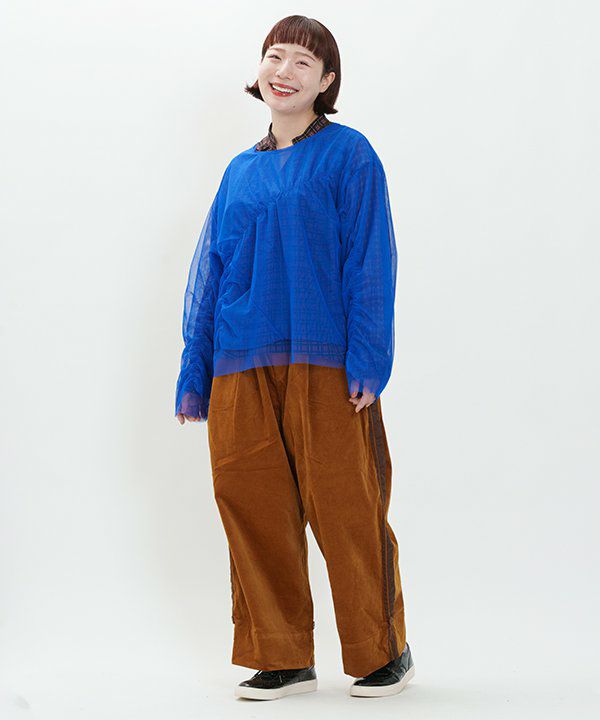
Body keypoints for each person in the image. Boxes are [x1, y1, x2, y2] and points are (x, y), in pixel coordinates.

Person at [174, 15, 415, 700]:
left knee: (347, 504)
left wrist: (369, 356)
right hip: (239, 362)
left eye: (303, 63)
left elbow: (369, 257)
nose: (284, 71)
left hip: (324, 359)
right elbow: (212, 271)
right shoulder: (239, 171)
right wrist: (196, 370)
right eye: (274, 56)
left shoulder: (348, 154)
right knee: (251, 504)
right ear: (260, 70)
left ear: (326, 81)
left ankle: (382, 650)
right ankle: (281, 655)